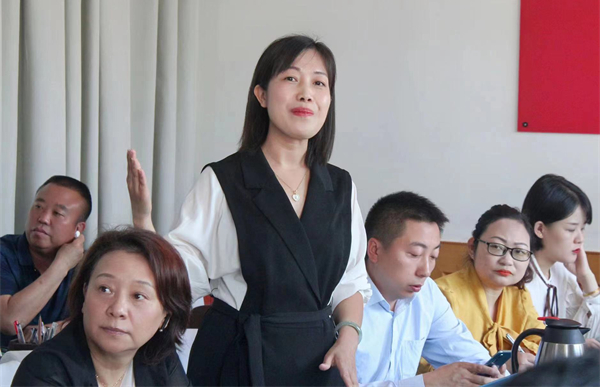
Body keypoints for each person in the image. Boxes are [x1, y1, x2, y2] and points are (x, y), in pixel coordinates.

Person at [127, 35, 370, 386]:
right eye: (291, 78)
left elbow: (350, 282)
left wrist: (348, 338)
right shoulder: (224, 179)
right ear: (261, 95)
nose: (306, 93)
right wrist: (143, 220)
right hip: (239, 359)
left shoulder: (341, 187)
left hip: (319, 362)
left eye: (319, 83)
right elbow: (178, 277)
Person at [357, 191, 503, 387]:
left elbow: (464, 351)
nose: (426, 271)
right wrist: (426, 384)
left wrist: (497, 374)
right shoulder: (341, 300)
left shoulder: (426, 293)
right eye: (414, 254)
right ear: (374, 250)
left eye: (433, 257)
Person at [12, 228, 191, 387]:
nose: (118, 309)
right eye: (105, 289)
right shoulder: (44, 372)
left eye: (138, 296)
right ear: (85, 293)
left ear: (166, 315)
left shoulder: (160, 359)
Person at [435, 205, 543, 372]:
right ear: (472, 248)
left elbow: (542, 342)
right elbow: (428, 366)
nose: (507, 260)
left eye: (519, 251)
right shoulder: (443, 295)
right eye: (497, 247)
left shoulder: (518, 295)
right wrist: (503, 364)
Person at [1, 175, 91, 350]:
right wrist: (62, 265)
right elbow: (8, 321)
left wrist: (55, 330)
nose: (43, 218)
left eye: (57, 213)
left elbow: (100, 324)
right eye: (38, 207)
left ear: (78, 229)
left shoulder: (90, 265)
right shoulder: (5, 252)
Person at [521, 174, 600, 344]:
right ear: (540, 229)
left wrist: (587, 278)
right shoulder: (517, 276)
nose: (580, 239)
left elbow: (592, 334)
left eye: (582, 229)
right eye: (571, 229)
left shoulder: (563, 272)